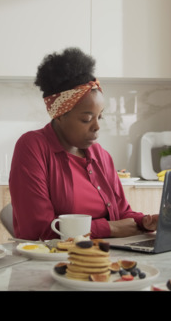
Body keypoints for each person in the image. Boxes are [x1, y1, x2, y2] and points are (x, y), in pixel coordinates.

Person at [9, 47, 158, 240]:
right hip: (50, 261)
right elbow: (38, 230)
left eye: (100, 117)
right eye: (87, 119)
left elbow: (122, 215)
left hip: (103, 257)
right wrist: (109, 229)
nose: (97, 127)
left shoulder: (101, 155)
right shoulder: (32, 147)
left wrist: (144, 221)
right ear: (60, 115)